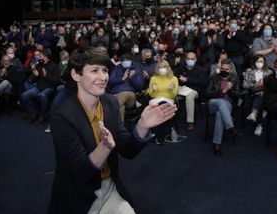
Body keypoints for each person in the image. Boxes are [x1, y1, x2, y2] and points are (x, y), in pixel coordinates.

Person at [48, 47, 177, 214]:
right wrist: (105, 148)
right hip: (78, 196)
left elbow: (127, 150)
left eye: (105, 70)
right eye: (94, 70)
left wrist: (142, 126)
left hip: (109, 189)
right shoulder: (62, 115)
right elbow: (81, 173)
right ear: (75, 75)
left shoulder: (110, 103)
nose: (103, 77)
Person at [205, 59, 241, 156]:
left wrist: (229, 90)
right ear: (219, 68)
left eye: (226, 69)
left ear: (231, 70)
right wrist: (223, 91)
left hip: (228, 104)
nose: (224, 71)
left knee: (219, 114)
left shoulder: (235, 79)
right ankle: (230, 128)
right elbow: (207, 94)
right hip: (213, 103)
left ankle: (217, 143)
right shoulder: (213, 78)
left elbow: (238, 96)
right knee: (221, 102)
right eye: (222, 68)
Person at [21, 50, 60, 126]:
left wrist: (46, 76)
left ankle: (42, 116)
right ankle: (33, 112)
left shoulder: (54, 66)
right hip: (39, 87)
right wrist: (35, 74)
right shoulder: (39, 65)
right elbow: (36, 78)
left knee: (43, 95)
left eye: (40, 55)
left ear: (46, 57)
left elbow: (56, 81)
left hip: (49, 87)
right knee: (24, 95)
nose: (39, 57)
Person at [147, 60, 179, 144]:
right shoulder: (153, 78)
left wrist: (171, 89)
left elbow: (174, 95)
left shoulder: (174, 78)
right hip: (155, 99)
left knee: (162, 105)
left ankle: (157, 134)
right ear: (157, 69)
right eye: (160, 67)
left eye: (164, 67)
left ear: (168, 68)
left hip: (168, 99)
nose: (162, 69)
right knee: (160, 106)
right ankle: (169, 128)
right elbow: (151, 95)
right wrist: (153, 90)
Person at [174, 52, 206, 131]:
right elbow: (176, 78)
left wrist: (187, 80)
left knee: (189, 96)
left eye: (192, 59)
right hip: (182, 89)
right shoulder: (181, 68)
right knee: (171, 93)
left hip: (195, 90)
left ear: (195, 59)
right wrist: (180, 80)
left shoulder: (200, 69)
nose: (190, 60)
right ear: (185, 59)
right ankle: (169, 119)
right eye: (188, 59)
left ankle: (190, 122)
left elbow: (202, 82)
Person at [242, 54, 272, 136]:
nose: (259, 63)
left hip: (263, 94)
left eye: (261, 61)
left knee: (261, 95)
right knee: (260, 97)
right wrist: (256, 85)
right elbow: (244, 85)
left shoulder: (269, 72)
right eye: (257, 61)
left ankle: (254, 114)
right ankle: (259, 125)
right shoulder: (249, 71)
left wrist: (263, 85)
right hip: (251, 93)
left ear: (264, 62)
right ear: (254, 62)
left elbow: (272, 87)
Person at [108, 54, 144, 122]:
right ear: (121, 61)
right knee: (121, 107)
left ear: (131, 61)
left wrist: (131, 78)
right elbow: (110, 81)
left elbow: (139, 86)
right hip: (116, 93)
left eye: (128, 60)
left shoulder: (137, 69)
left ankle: (109, 114)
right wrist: (122, 78)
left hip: (129, 94)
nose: (126, 62)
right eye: (124, 60)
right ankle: (120, 129)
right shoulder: (116, 68)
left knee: (121, 96)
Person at [0, 55, 21, 124]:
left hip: (9, 88)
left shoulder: (13, 68)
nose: (6, 62)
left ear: (10, 61)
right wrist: (0, 76)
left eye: (8, 61)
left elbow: (15, 81)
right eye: (5, 61)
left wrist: (6, 75)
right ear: (2, 62)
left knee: (5, 82)